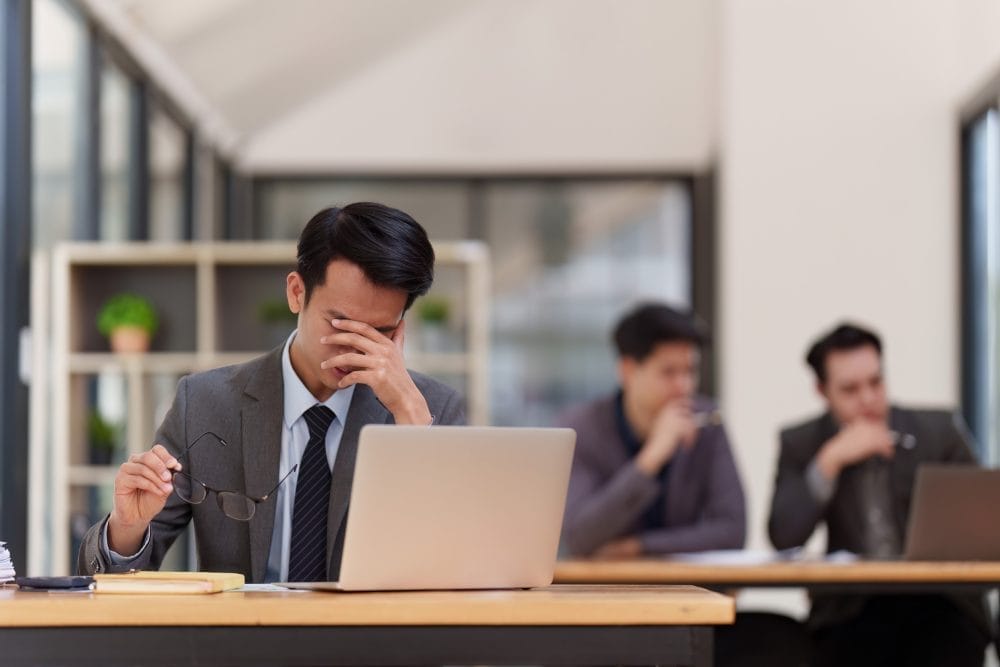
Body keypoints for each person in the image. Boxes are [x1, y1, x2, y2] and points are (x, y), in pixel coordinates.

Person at [77, 203, 465, 582]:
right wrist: (127, 527)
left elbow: (455, 568)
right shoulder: (206, 403)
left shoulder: (432, 410)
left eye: (377, 333)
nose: (353, 348)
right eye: (340, 323)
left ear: (400, 327)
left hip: (371, 644)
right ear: (297, 293)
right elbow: (113, 578)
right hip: (243, 641)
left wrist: (412, 420)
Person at [768, 322, 991, 666]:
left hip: (940, 603)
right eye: (851, 390)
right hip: (852, 609)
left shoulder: (937, 432)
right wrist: (829, 461)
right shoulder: (803, 442)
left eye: (876, 382)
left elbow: (986, 518)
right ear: (822, 391)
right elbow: (784, 535)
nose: (869, 399)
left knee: (944, 640)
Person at [559, 303, 746, 558]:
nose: (684, 386)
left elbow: (732, 530)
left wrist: (638, 547)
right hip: (607, 591)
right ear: (627, 371)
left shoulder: (706, 421)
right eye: (668, 372)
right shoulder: (582, 428)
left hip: (690, 589)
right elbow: (579, 536)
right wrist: (649, 461)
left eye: (690, 371)